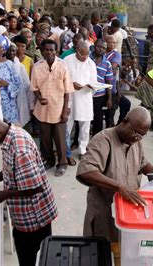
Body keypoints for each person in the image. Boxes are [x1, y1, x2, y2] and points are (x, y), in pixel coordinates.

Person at [76, 107, 153, 242]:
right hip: (105, 213)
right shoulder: (103, 140)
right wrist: (119, 187)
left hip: (128, 213)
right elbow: (86, 171)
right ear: (125, 121)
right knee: (104, 251)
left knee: (125, 250)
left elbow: (143, 164)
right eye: (136, 133)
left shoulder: (135, 142)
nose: (137, 138)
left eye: (142, 136)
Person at [0, 111, 58, 266]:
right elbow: (10, 171)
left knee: (33, 259)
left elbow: (35, 187)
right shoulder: (10, 136)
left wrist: (2, 195)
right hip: (25, 217)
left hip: (34, 218)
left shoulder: (19, 148)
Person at [31, 39, 74, 177]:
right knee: (45, 139)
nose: (49, 52)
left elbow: (67, 91)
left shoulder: (63, 67)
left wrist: (65, 110)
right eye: (47, 50)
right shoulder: (37, 67)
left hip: (58, 108)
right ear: (42, 51)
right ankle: (49, 161)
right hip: (42, 109)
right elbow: (34, 87)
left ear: (56, 51)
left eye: (52, 50)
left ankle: (62, 164)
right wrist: (38, 97)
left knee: (60, 139)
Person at [63, 41, 97, 159]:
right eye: (82, 55)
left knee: (85, 127)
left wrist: (92, 87)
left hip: (85, 98)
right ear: (77, 51)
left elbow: (94, 82)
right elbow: (61, 79)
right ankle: (65, 150)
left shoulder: (90, 64)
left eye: (87, 55)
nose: (85, 57)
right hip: (70, 97)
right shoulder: (67, 60)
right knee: (67, 124)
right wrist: (72, 84)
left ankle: (83, 149)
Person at [6, 43, 34, 128]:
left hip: (19, 96)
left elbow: (27, 84)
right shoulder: (3, 64)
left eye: (13, 50)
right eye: (9, 50)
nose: (11, 53)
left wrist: (30, 103)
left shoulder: (20, 66)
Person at [90, 39, 114, 136]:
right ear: (94, 45)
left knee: (98, 119)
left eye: (103, 48)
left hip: (99, 95)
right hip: (86, 93)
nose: (101, 49)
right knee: (83, 119)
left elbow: (108, 81)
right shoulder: (87, 58)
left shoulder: (107, 63)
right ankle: (77, 141)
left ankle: (95, 141)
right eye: (99, 46)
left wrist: (109, 99)